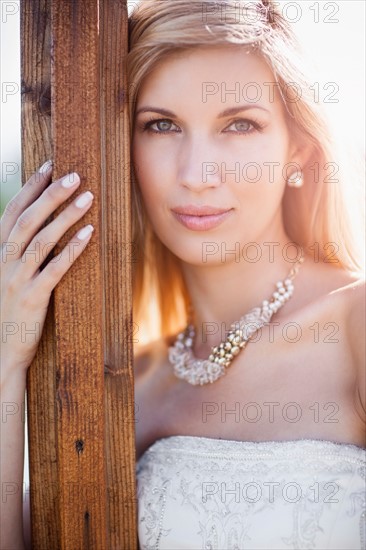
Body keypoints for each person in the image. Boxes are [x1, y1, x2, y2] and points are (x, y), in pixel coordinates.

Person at [1, 1, 365, 549]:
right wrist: (7, 362)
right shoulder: (124, 381)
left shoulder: (355, 324)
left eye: (240, 124)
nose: (197, 175)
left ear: (299, 152)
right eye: (162, 125)